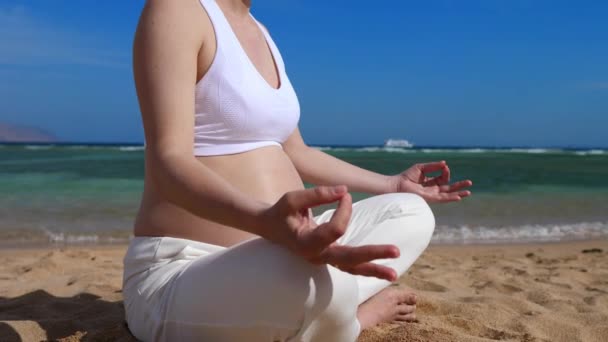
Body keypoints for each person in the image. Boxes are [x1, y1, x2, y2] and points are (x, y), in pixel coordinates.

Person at [122, 0, 473, 341]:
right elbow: (169, 162)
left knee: (410, 212)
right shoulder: (177, 8)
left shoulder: (261, 32)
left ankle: (328, 302)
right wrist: (266, 221)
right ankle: (354, 319)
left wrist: (392, 183)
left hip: (285, 248)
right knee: (315, 284)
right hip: (187, 268)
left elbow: (296, 151)